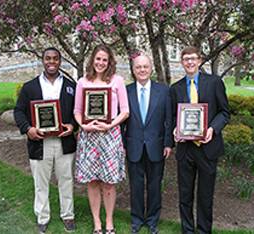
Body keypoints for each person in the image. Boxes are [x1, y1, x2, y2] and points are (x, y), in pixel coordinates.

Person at [14, 47, 78, 234]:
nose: (52, 62)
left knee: (66, 179)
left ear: (60, 61)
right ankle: (43, 217)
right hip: (39, 143)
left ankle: (68, 215)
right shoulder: (30, 87)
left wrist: (73, 126)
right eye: (48, 58)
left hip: (64, 143)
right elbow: (19, 111)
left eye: (55, 59)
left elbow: (78, 111)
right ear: (43, 61)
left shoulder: (69, 86)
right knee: (40, 182)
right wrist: (28, 129)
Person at [170, 46, 230, 234]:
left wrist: (212, 129)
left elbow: (224, 112)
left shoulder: (214, 83)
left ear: (200, 60)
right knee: (185, 195)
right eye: (186, 59)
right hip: (185, 150)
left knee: (205, 196)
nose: (189, 62)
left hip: (208, 147)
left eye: (193, 58)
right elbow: (173, 117)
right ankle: (187, 230)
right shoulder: (175, 88)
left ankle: (204, 231)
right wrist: (174, 130)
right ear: (182, 62)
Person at [74, 44, 129, 234]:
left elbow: (125, 111)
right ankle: (97, 222)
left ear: (109, 62)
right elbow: (77, 111)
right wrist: (83, 125)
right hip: (89, 137)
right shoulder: (83, 82)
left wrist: (111, 124)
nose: (101, 63)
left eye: (104, 59)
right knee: (92, 181)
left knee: (109, 182)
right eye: (98, 59)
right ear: (92, 60)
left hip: (110, 136)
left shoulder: (117, 81)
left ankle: (109, 222)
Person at [123, 54, 173, 234]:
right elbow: (122, 122)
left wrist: (168, 143)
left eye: (145, 67)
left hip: (157, 146)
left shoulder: (164, 91)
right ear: (134, 70)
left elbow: (169, 119)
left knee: (154, 185)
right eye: (138, 67)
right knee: (135, 185)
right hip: (133, 146)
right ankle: (136, 220)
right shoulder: (125, 91)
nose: (142, 70)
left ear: (150, 68)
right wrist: (122, 144)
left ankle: (152, 220)